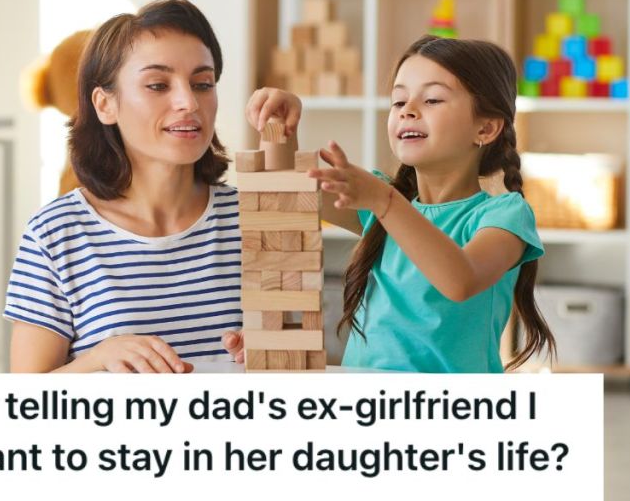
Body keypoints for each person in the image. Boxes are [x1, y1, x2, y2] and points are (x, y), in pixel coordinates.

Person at [5, 0, 298, 373]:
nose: (188, 102)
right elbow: (22, 402)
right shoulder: (55, 233)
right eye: (158, 85)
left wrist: (269, 350)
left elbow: (294, 343)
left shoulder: (247, 219)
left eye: (203, 83)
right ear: (105, 104)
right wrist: (99, 359)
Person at [234, 35, 556, 372]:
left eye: (432, 99)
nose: (409, 111)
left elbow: (461, 280)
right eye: (399, 101)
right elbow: (285, 194)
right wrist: (280, 130)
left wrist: (383, 202)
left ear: (486, 128)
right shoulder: (382, 199)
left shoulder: (505, 215)